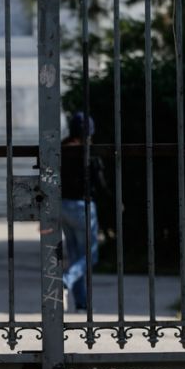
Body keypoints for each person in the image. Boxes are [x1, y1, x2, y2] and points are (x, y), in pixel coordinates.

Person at [60, 112, 105, 312]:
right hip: (83, 206)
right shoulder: (88, 152)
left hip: (62, 205)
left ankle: (81, 302)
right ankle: (65, 280)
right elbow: (100, 182)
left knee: (75, 253)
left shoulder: (60, 148)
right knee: (90, 254)